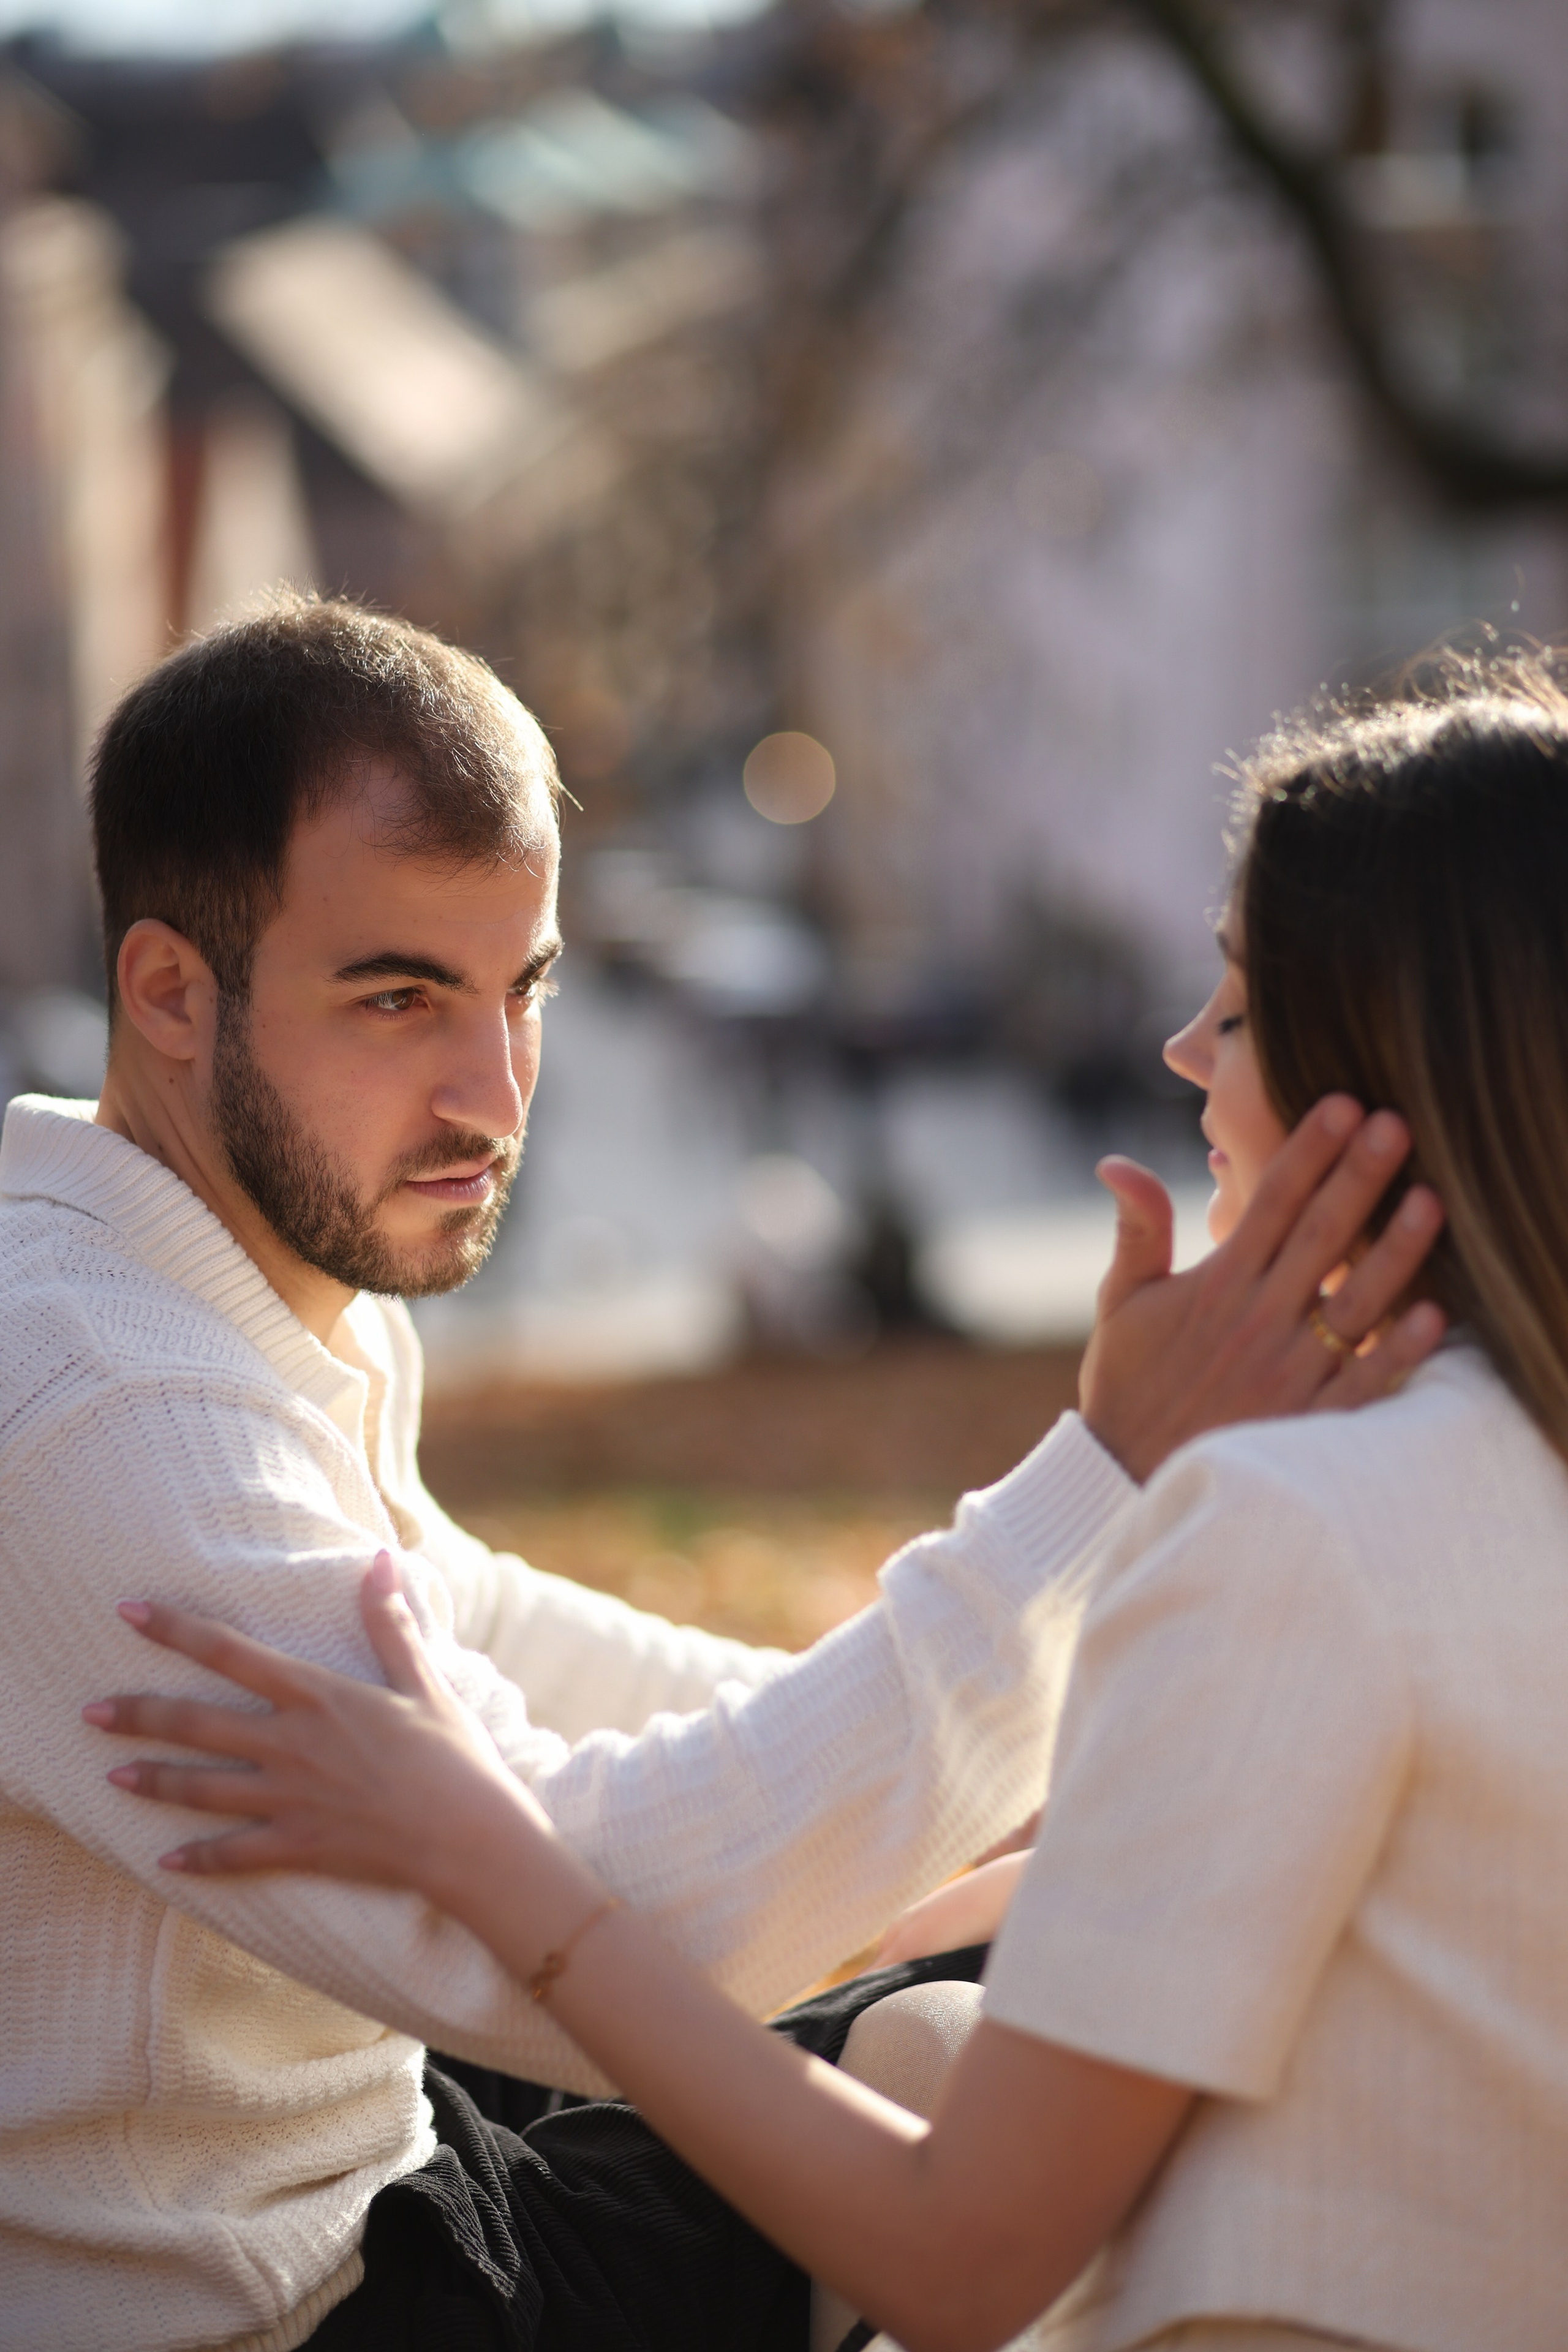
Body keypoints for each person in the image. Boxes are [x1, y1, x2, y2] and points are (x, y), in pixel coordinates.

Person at [6, 590, 1434, 2352]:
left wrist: (1015, 1778)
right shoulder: (106, 1407)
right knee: (1002, 2081)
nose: (493, 1094)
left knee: (996, 1990)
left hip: (373, 2170)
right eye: (399, 997)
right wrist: (1112, 1469)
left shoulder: (203, 1267)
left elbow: (481, 1638)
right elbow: (633, 1915)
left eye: (522, 987)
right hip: (287, 2308)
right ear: (167, 990)